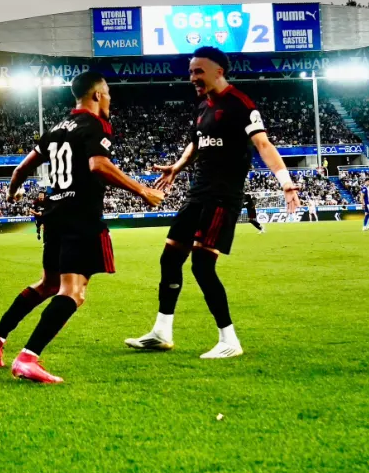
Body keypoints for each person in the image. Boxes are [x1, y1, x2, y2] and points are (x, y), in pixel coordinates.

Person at [0, 71, 164, 384]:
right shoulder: (95, 124)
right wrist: (143, 191)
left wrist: (12, 191)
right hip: (81, 215)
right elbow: (99, 166)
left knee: (49, 284)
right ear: (95, 95)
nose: (109, 100)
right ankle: (28, 358)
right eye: (107, 94)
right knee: (73, 292)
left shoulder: (55, 128)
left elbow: (23, 168)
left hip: (55, 216)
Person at [125, 46, 300, 359]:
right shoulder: (202, 106)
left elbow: (262, 143)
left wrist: (286, 183)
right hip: (198, 194)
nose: (192, 77)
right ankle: (161, 332)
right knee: (169, 258)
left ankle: (229, 339)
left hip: (222, 196)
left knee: (203, 266)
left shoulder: (240, 103)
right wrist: (177, 167)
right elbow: (195, 143)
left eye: (198, 71)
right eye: (191, 72)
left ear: (219, 71)